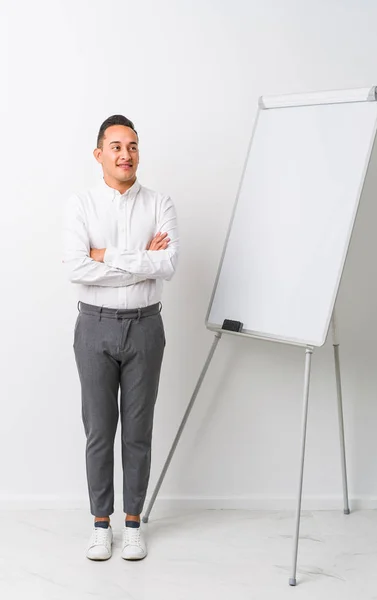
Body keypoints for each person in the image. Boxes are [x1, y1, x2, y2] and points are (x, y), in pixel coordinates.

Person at [62, 115, 179, 561]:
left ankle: (132, 524)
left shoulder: (159, 202)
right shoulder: (81, 205)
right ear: (99, 154)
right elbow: (76, 268)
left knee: (138, 430)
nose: (125, 154)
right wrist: (138, 260)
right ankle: (100, 524)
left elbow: (168, 264)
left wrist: (105, 256)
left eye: (132, 146)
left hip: (147, 326)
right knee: (98, 429)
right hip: (94, 325)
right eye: (115, 146)